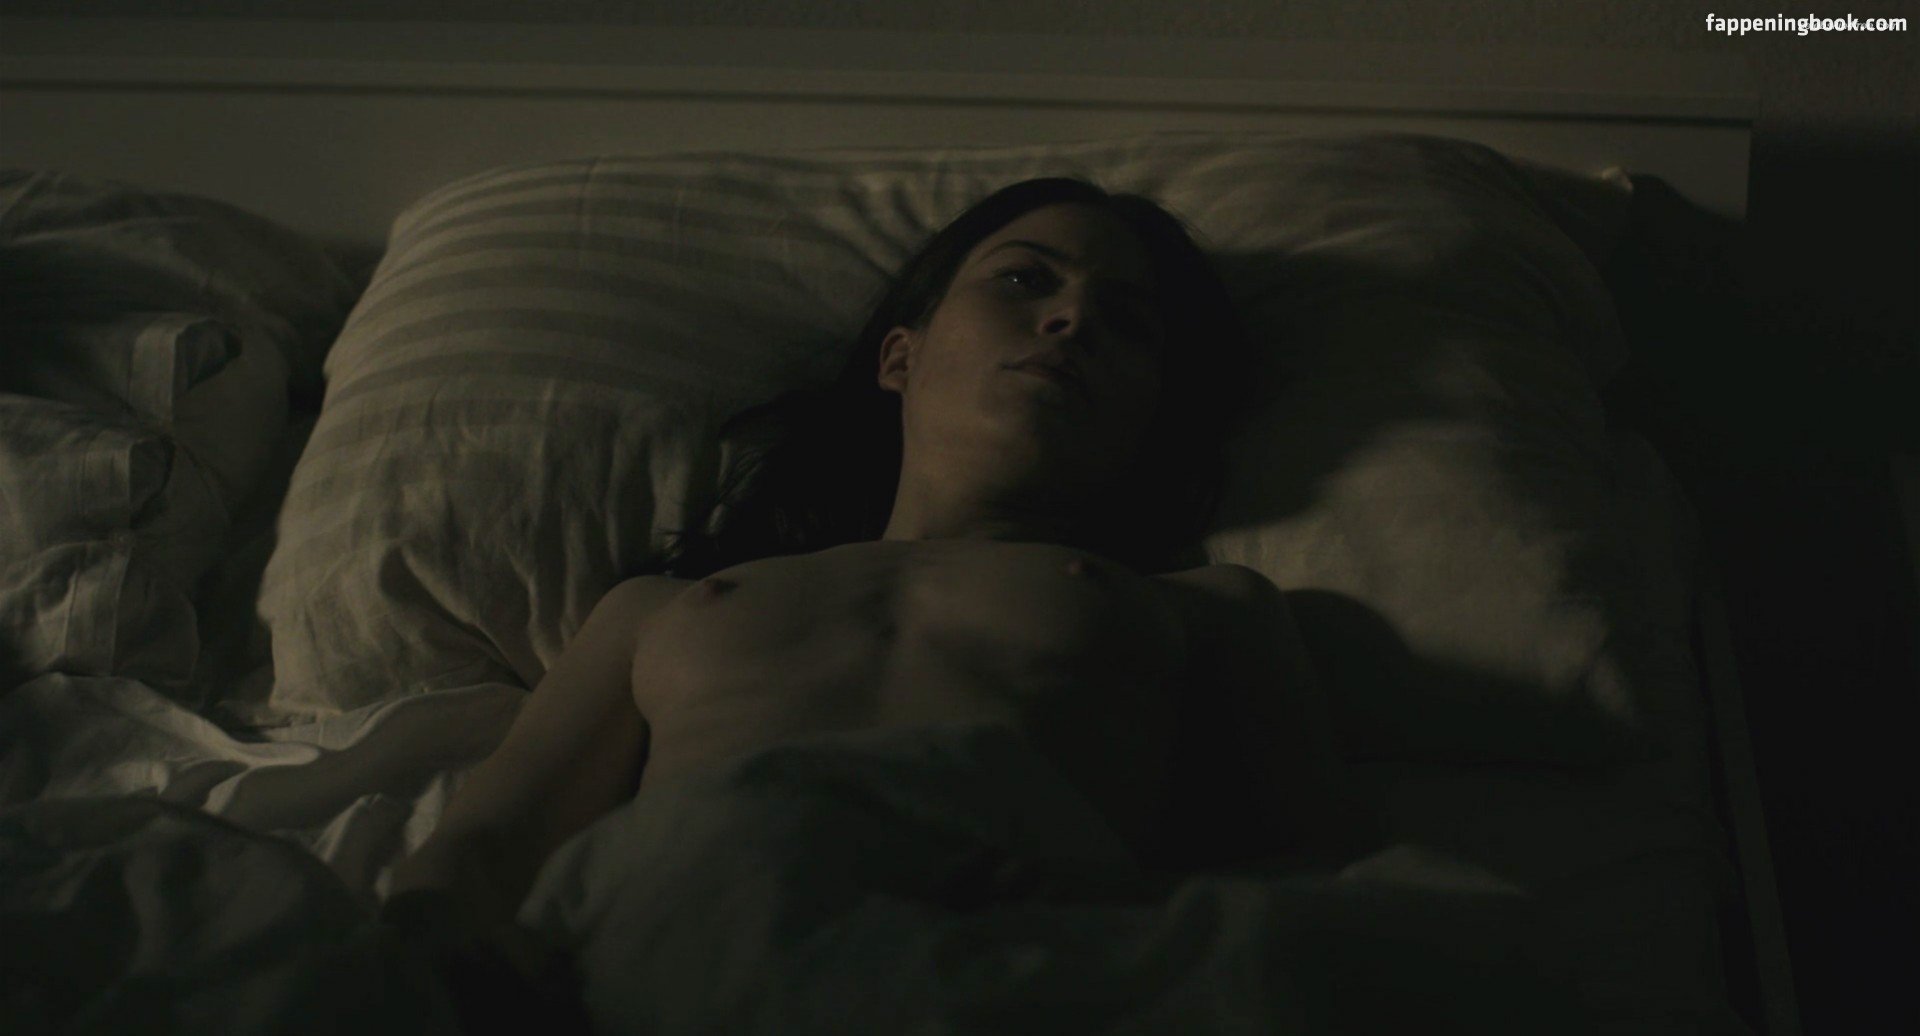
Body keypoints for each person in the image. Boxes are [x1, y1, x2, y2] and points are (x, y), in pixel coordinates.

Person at [378, 177, 1355, 1024]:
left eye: (1129, 322)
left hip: (1018, 957)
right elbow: (489, 843)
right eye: (1026, 281)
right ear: (900, 357)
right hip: (695, 928)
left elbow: (1306, 878)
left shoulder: (1204, 605)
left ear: (1151, 415)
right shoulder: (660, 608)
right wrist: (436, 958)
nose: (1073, 319)